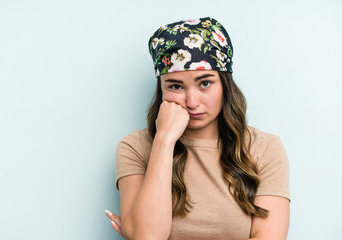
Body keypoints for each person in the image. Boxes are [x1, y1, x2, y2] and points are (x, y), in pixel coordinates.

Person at [105, 17, 290, 240]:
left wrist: (135, 230)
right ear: (161, 89)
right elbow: (148, 237)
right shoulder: (135, 147)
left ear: (225, 85)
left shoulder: (264, 148)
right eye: (175, 86)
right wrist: (164, 141)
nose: (191, 101)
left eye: (205, 83)